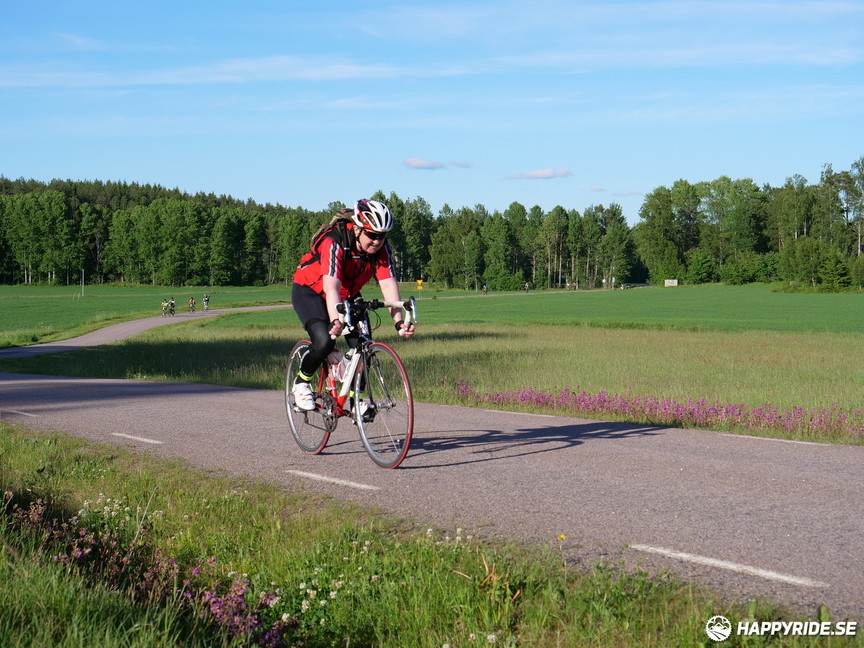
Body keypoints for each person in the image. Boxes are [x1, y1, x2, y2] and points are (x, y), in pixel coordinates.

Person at [290, 199, 416, 411]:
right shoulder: (334, 241)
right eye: (372, 235)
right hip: (311, 290)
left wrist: (399, 322)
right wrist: (335, 321)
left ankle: (355, 401)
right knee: (324, 341)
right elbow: (331, 287)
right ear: (357, 229)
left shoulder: (381, 249)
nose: (377, 241)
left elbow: (388, 285)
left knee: (364, 346)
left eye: (382, 236)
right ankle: (302, 382)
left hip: (346, 293)